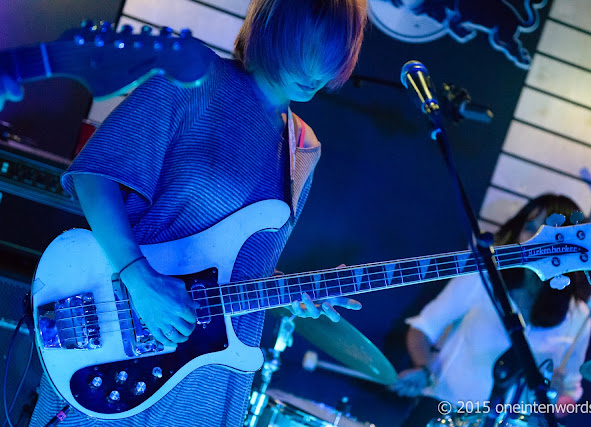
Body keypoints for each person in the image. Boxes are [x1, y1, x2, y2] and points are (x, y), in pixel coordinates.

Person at [28, 0, 367, 426]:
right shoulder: (193, 79)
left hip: (211, 381)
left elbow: (232, 273)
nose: (318, 69)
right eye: (307, 46)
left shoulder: (304, 148)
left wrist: (292, 293)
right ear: (273, 28)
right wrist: (138, 276)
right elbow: (94, 177)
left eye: (334, 52)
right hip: (123, 343)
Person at [391, 194, 591, 425]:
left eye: (548, 233)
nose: (534, 240)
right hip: (446, 412)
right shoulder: (485, 276)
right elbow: (423, 328)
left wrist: (556, 397)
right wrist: (423, 369)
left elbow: (570, 393)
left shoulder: (579, 316)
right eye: (529, 228)